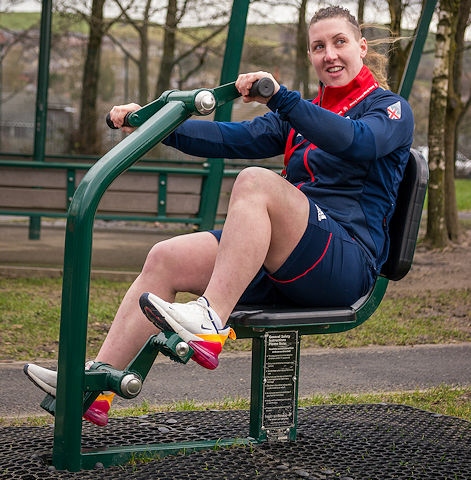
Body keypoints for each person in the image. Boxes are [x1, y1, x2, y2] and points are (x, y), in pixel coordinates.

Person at [24, 6, 414, 425]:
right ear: (310, 55)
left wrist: (283, 99)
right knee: (165, 257)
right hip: (291, 260)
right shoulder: (303, 115)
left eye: (339, 42)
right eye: (319, 46)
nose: (330, 54)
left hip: (346, 263)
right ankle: (97, 385)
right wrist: (156, 123)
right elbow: (230, 137)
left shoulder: (389, 110)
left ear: (361, 47)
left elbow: (354, 142)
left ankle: (211, 319)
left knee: (255, 182)